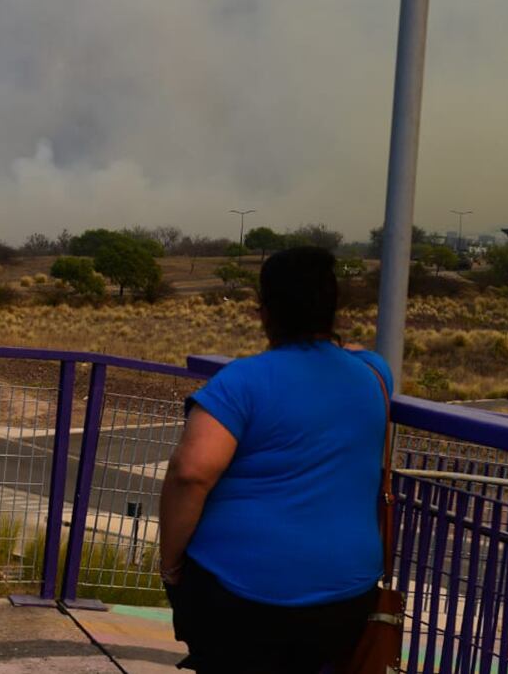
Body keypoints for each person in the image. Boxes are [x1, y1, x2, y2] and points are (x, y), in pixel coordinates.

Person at [158, 246, 393, 673]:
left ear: (265, 312)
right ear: (333, 310)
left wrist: (170, 564)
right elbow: (358, 350)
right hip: (347, 595)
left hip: (242, 596)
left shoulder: (239, 383)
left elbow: (190, 474)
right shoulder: (373, 375)